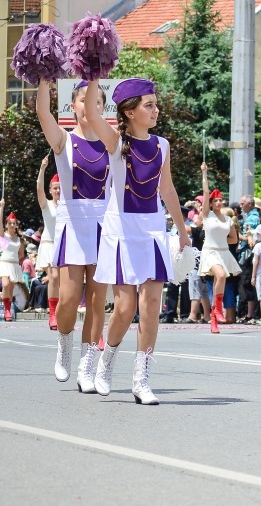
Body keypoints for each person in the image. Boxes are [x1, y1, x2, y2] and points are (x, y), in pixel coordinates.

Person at [87, 78, 191, 405]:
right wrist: (92, 73)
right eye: (149, 105)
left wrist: (183, 230)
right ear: (130, 112)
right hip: (122, 230)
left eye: (155, 104)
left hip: (153, 230)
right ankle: (107, 360)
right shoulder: (116, 142)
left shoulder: (162, 146)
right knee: (124, 307)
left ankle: (141, 379)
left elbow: (167, 190)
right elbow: (91, 113)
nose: (156, 110)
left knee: (151, 305)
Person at [36, 79, 111, 390]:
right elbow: (43, 113)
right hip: (73, 224)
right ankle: (64, 344)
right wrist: (43, 79)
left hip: (103, 225)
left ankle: (87, 365)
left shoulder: (112, 142)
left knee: (96, 301)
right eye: (84, 100)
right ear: (73, 106)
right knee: (68, 299)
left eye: (97, 101)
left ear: (103, 108)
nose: (90, 105)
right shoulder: (64, 140)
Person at [198, 164, 241, 334]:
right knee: (221, 275)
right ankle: (217, 309)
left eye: (220, 200)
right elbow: (205, 192)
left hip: (223, 251)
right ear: (210, 203)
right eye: (215, 200)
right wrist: (204, 173)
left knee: (220, 280)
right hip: (210, 251)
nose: (218, 202)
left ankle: (214, 320)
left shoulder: (228, 219)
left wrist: (222, 240)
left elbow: (234, 239)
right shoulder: (207, 215)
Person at [35, 158, 61, 330]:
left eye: (60, 188)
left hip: (63, 245)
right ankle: (52, 313)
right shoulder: (46, 205)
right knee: (54, 277)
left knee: (63, 282)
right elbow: (39, 188)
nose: (58, 190)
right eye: (55, 188)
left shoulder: (67, 206)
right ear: (50, 190)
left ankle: (60, 312)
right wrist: (42, 168)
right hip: (48, 245)